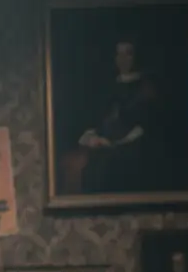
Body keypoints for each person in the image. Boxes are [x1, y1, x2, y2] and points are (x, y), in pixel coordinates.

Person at [60, 38, 159, 195]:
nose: (123, 59)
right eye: (119, 54)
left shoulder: (146, 88)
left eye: (128, 54)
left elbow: (144, 127)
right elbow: (102, 118)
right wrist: (92, 135)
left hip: (130, 148)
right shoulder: (111, 85)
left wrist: (114, 143)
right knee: (70, 161)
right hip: (105, 143)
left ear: (135, 57)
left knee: (89, 166)